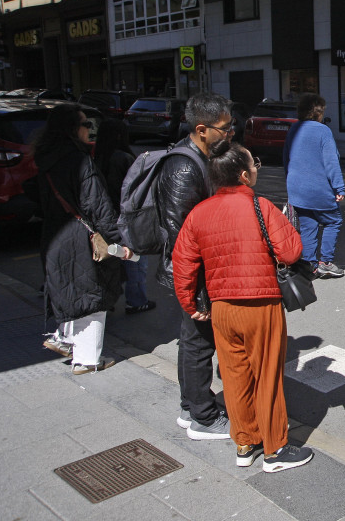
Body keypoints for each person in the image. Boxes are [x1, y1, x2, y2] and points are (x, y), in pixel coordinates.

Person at [172, 141, 313, 473]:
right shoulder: (261, 207)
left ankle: (245, 442)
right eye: (255, 165)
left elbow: (184, 263)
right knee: (267, 377)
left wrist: (190, 303)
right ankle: (275, 449)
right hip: (260, 303)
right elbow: (291, 253)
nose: (256, 170)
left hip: (222, 307)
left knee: (235, 377)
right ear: (244, 175)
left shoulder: (199, 213)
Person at [157, 92, 235, 440]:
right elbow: (180, 235)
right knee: (198, 342)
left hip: (200, 272)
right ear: (202, 129)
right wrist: (197, 292)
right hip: (194, 274)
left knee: (192, 340)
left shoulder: (200, 159)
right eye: (225, 128)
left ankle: (192, 406)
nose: (230, 133)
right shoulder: (184, 166)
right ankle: (202, 417)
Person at [36, 105, 127, 374]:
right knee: (94, 293)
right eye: (85, 123)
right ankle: (87, 359)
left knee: (69, 290)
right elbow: (96, 204)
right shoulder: (79, 159)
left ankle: (66, 340)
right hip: (81, 236)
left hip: (54, 233)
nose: (90, 128)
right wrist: (115, 240)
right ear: (71, 129)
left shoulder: (45, 158)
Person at [93, 119, 156, 315]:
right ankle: (136, 300)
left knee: (107, 262)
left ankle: (106, 300)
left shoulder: (96, 158)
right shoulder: (124, 158)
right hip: (127, 218)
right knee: (135, 260)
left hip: (104, 217)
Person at [283, 93, 345, 279]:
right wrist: (339, 187)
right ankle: (325, 262)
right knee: (333, 220)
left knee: (308, 225)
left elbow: (286, 159)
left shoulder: (293, 129)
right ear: (318, 113)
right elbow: (331, 162)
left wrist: (290, 182)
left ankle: (309, 264)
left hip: (297, 188)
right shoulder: (322, 131)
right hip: (318, 188)